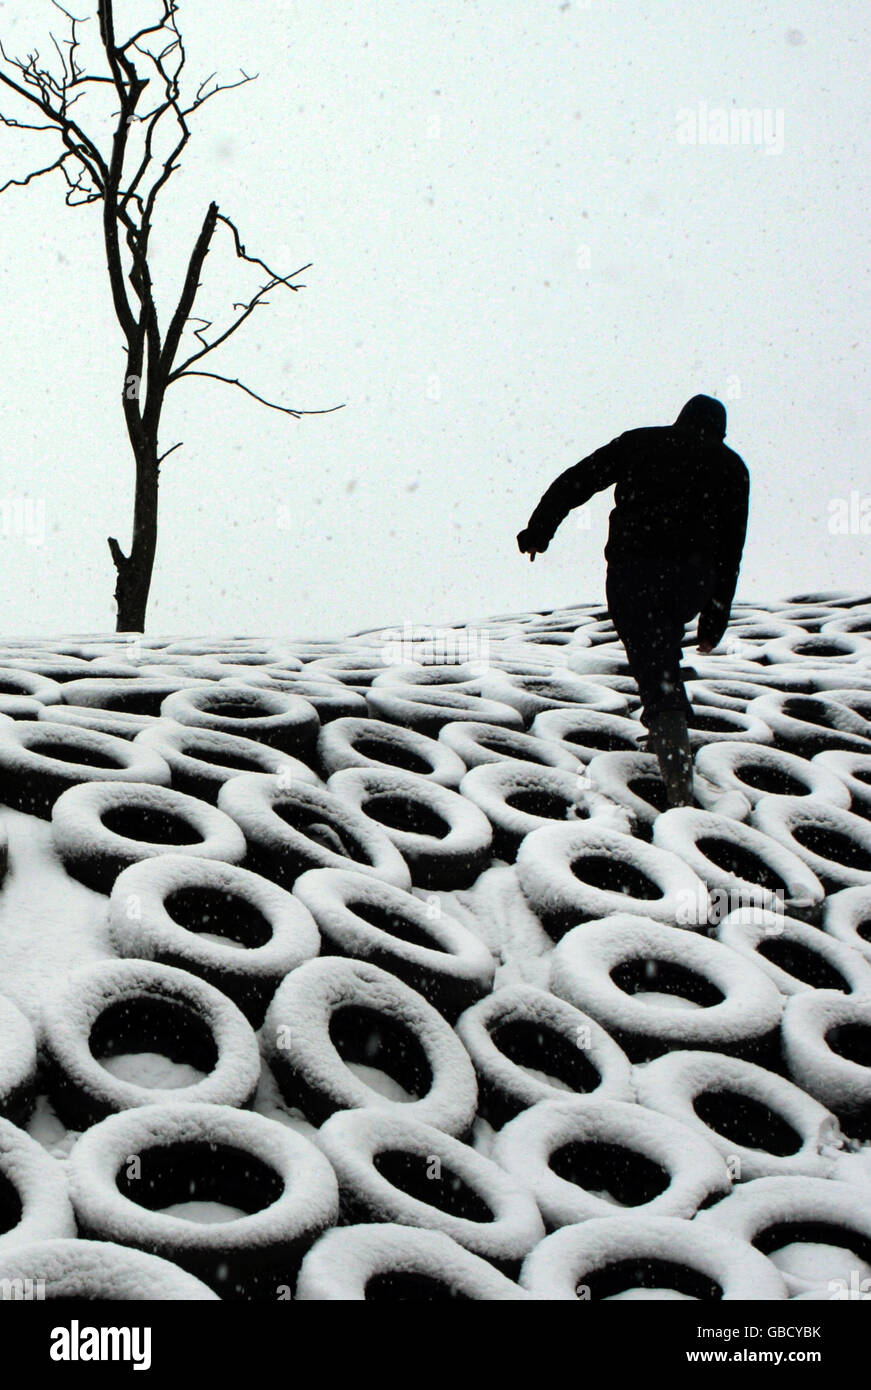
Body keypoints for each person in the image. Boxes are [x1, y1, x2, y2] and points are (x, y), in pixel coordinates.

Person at [516, 394, 749, 807]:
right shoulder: (731, 467)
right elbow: (731, 549)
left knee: (654, 662)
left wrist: (540, 529)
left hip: (635, 573)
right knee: (659, 650)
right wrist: (715, 616)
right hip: (690, 583)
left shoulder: (643, 442)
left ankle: (678, 782)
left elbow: (578, 480)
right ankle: (665, 733)